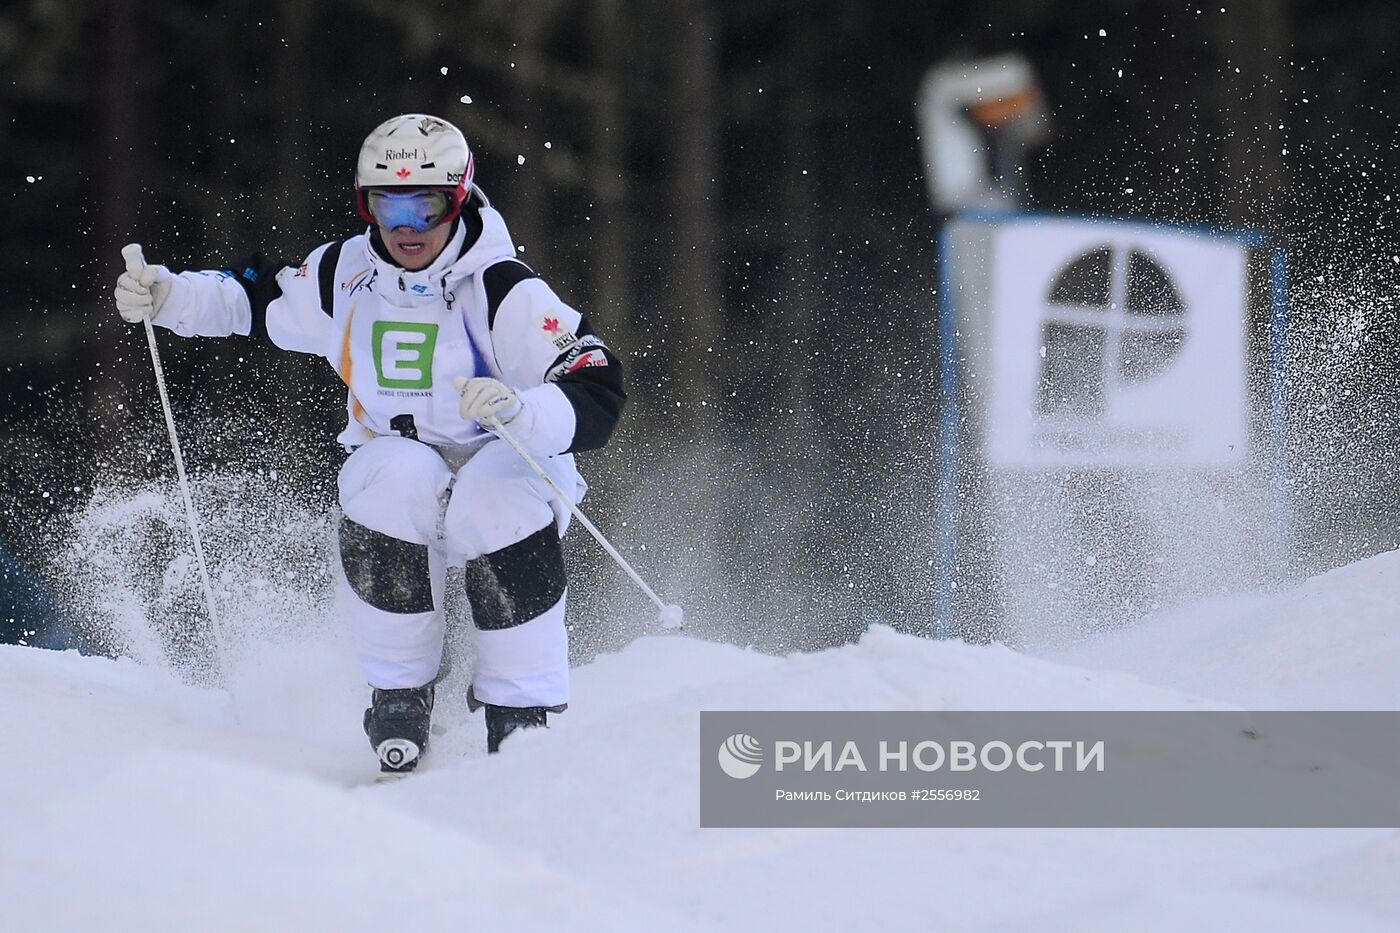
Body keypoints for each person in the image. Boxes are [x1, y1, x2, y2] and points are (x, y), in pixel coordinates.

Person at [113, 113, 626, 771]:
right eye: (388, 203)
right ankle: (399, 694)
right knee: (389, 474)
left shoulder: (501, 287)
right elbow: (255, 293)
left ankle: (523, 715)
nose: (407, 225)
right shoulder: (343, 274)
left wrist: (523, 408)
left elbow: (597, 380)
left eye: (427, 203)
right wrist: (169, 294)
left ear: (459, 197)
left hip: (508, 460)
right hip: (403, 460)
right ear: (367, 204)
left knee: (493, 497)